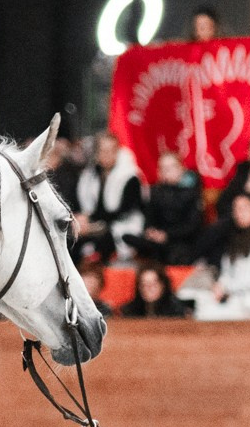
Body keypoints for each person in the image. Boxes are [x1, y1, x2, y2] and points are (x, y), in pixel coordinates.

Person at [184, 192, 250, 321]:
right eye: (236, 209)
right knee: (201, 305)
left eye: (244, 208)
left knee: (208, 315)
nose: (239, 213)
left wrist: (227, 286)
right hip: (236, 299)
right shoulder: (239, 235)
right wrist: (220, 285)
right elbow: (228, 270)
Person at [71, 133, 145, 265]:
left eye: (111, 150)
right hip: (94, 224)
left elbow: (125, 211)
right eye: (103, 150)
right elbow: (83, 205)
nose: (107, 155)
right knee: (71, 238)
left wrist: (90, 219)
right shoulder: (89, 176)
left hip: (123, 226)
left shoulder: (130, 177)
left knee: (104, 239)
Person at [127, 152, 205, 265]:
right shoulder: (156, 192)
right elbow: (149, 216)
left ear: (181, 168)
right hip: (158, 237)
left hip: (181, 240)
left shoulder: (192, 192)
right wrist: (150, 231)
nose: (167, 171)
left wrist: (167, 235)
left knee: (175, 253)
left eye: (171, 167)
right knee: (129, 238)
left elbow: (193, 225)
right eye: (163, 168)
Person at [120, 263, 188, 318]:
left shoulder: (176, 310)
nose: (148, 289)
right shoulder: (129, 310)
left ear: (163, 285)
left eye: (153, 284)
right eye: (143, 284)